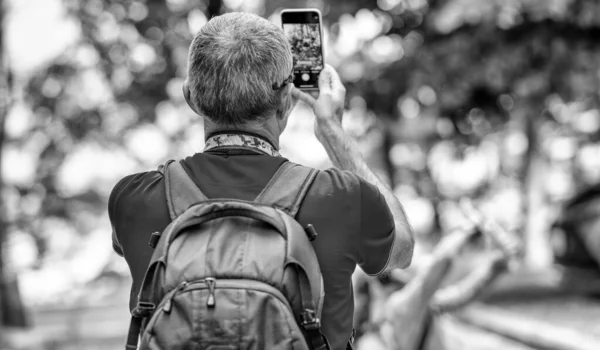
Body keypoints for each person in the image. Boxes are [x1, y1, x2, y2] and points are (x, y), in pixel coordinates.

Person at [109, 12, 414, 350]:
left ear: (190, 97)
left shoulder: (133, 199)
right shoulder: (342, 196)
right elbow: (402, 248)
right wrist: (333, 134)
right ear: (287, 100)